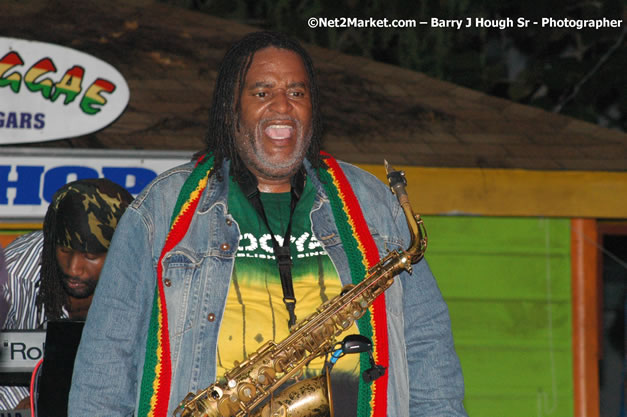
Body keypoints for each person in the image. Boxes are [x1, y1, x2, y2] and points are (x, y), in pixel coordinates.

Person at [69, 31, 467, 417]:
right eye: (262, 92)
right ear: (231, 108)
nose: (282, 106)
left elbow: (427, 344)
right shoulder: (160, 210)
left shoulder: (374, 204)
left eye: (297, 93)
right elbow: (106, 359)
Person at [0, 178, 133, 410]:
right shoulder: (11, 273)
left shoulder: (149, 277)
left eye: (90, 256)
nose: (74, 269)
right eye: (64, 250)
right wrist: (22, 407)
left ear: (122, 249)